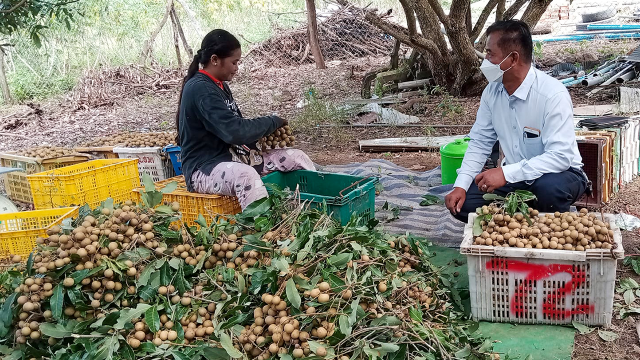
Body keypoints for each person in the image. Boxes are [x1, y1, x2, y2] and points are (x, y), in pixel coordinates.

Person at [445, 20, 589, 222]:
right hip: (516, 178)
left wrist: (505, 173)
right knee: (463, 205)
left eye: (490, 54)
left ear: (512, 58)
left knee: (548, 191)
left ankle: (539, 214)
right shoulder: (492, 92)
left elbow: (560, 157)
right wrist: (460, 185)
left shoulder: (552, 94)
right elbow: (480, 142)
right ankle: (524, 216)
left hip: (559, 174)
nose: (485, 61)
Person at [176, 29, 315, 210]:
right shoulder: (200, 89)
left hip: (233, 159)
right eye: (234, 62)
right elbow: (235, 132)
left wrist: (263, 139)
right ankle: (263, 230)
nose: (237, 68)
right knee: (245, 176)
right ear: (215, 60)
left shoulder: (220, 86)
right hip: (204, 170)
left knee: (295, 157)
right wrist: (271, 122)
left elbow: (237, 128)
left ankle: (316, 206)